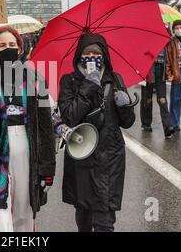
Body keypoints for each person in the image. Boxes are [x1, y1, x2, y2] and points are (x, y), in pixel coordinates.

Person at [0, 26, 56, 232]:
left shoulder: (35, 79)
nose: (7, 48)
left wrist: (47, 168)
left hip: (26, 148)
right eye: (2, 45)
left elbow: (45, 126)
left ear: (20, 48)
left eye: (12, 45)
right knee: (0, 212)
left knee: (23, 212)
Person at [58, 33, 136, 232]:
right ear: (79, 55)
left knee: (104, 220)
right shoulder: (69, 81)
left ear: (104, 56)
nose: (91, 56)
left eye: (96, 52)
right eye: (87, 52)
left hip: (110, 157)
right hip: (82, 155)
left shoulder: (114, 79)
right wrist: (88, 86)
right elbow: (70, 116)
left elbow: (127, 123)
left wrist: (125, 106)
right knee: (84, 214)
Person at [140, 47, 175, 139]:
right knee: (147, 99)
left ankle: (167, 127)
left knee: (162, 99)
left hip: (160, 68)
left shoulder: (162, 36)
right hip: (147, 69)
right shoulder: (142, 37)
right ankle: (146, 123)